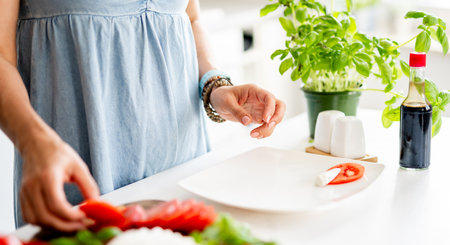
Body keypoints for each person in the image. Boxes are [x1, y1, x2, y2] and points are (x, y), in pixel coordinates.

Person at [0, 0, 286, 231]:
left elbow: (190, 19)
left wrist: (216, 85)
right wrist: (32, 141)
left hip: (182, 169)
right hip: (78, 172)